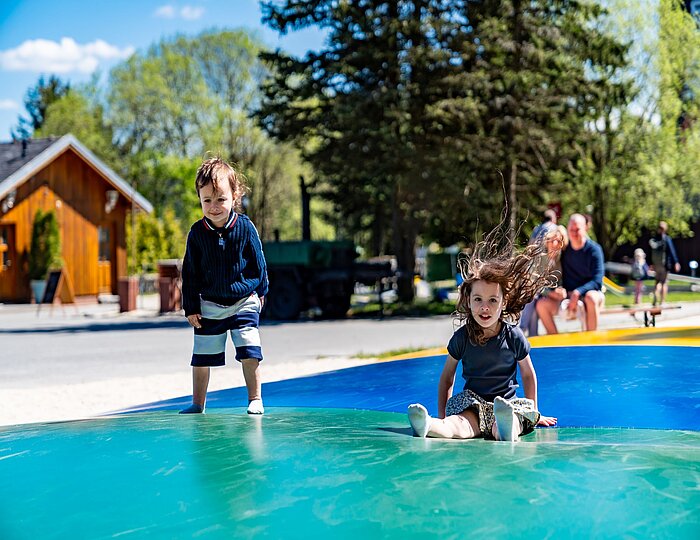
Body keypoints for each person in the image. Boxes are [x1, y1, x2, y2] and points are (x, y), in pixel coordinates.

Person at [407, 227, 558, 442]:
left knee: (512, 418)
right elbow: (447, 377)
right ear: (468, 301)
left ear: (503, 303)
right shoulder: (461, 338)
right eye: (478, 300)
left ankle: (505, 428)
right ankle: (431, 425)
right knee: (459, 426)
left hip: (507, 403)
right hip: (473, 405)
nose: (484, 307)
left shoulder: (513, 336)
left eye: (492, 300)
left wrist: (534, 413)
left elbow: (528, 375)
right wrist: (443, 417)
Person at [180, 157, 269, 415]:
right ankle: (198, 403)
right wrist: (191, 306)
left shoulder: (245, 227)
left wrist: (261, 292)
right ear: (199, 199)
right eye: (207, 200)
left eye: (220, 199)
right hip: (210, 302)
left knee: (249, 345)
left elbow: (259, 261)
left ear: (234, 196)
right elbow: (190, 273)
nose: (214, 206)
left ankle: (255, 398)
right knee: (201, 355)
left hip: (243, 299)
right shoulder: (197, 234)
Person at [536, 213, 605, 333]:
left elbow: (597, 281)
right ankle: (555, 343)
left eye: (577, 229)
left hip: (589, 294)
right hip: (567, 296)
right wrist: (555, 291)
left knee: (591, 298)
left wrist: (578, 292)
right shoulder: (564, 250)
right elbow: (551, 271)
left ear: (585, 228)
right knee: (541, 305)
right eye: (571, 229)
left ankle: (593, 342)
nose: (574, 233)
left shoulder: (594, 250)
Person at [519, 225, 568, 336]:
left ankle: (529, 334)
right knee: (532, 298)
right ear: (547, 242)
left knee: (535, 301)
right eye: (551, 241)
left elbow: (559, 281)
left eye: (558, 241)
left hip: (551, 296)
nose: (554, 244)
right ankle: (524, 330)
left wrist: (559, 290)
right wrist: (550, 293)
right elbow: (533, 284)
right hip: (537, 293)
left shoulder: (560, 259)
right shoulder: (541, 258)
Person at [649, 221, 681, 306]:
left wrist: (651, 263)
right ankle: (662, 301)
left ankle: (655, 298)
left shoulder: (654, 239)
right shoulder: (666, 239)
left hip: (656, 264)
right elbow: (672, 251)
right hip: (664, 265)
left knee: (657, 282)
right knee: (663, 282)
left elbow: (650, 252)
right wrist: (676, 262)